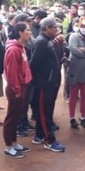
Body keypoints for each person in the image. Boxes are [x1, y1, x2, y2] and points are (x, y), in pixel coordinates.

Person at [30, 18, 66, 152]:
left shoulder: (48, 41)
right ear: (47, 28)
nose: (57, 30)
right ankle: (49, 140)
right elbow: (34, 64)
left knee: (46, 111)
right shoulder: (42, 42)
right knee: (45, 112)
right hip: (44, 84)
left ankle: (39, 135)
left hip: (50, 82)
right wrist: (43, 80)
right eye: (54, 28)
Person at [2, 23, 33, 158]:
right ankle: (8, 146)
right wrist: (17, 89)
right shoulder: (14, 50)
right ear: (20, 32)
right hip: (17, 88)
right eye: (27, 30)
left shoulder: (20, 48)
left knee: (16, 117)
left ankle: (14, 143)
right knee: (11, 117)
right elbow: (12, 73)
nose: (30, 32)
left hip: (21, 86)